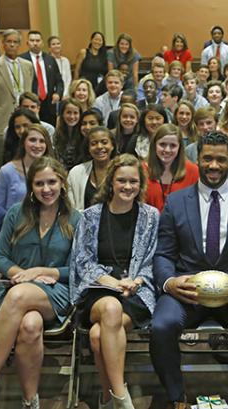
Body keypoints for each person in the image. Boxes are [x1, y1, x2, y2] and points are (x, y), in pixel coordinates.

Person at [150, 130, 228, 409]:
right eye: (207, 159)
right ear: (198, 158)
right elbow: (163, 254)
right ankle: (176, 396)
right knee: (160, 326)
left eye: (220, 159)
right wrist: (169, 283)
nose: (214, 166)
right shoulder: (177, 201)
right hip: (188, 293)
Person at [0, 156, 80, 409]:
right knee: (30, 325)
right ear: (31, 186)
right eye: (39, 184)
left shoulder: (76, 219)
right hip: (13, 290)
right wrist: (18, 272)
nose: (46, 189)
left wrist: (38, 271)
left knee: (19, 296)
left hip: (55, 292)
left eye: (51, 182)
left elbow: (77, 269)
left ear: (62, 183)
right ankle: (30, 400)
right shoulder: (17, 213)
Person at [70, 154, 159, 409]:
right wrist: (113, 283)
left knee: (99, 335)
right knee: (110, 308)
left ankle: (108, 399)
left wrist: (138, 280)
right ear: (111, 181)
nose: (128, 186)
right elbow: (82, 260)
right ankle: (123, 399)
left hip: (137, 292)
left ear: (140, 183)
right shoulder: (90, 216)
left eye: (133, 181)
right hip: (99, 290)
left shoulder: (151, 216)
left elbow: (154, 258)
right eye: (122, 180)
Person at [0, 29, 34, 173]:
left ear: (20, 44)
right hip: (2, 116)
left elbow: (29, 91)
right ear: (3, 44)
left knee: (26, 149)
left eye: (15, 42)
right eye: (9, 42)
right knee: (0, 154)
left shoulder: (27, 65)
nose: (12, 45)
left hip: (25, 115)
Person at [0, 124, 54, 220]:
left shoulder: (53, 170)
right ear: (23, 142)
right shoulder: (6, 171)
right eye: (32, 140)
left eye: (42, 141)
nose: (37, 145)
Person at [145, 124, 199, 212]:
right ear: (154, 145)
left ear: (179, 147)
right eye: (162, 144)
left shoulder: (193, 171)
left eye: (173, 145)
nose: (167, 150)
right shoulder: (142, 171)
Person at [19, 31, 64, 126]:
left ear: (42, 43)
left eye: (38, 40)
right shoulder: (21, 60)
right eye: (32, 40)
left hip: (49, 103)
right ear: (27, 43)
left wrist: (58, 94)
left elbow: (59, 81)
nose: (35, 43)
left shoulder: (50, 59)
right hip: (31, 104)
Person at [67, 126, 116, 211]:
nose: (99, 146)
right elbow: (70, 207)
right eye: (94, 143)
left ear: (112, 146)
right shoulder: (76, 172)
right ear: (88, 148)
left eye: (104, 142)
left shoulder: (122, 171)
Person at [54, 98, 84, 171]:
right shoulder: (56, 134)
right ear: (62, 114)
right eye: (68, 112)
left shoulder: (84, 134)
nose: (72, 117)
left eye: (75, 113)